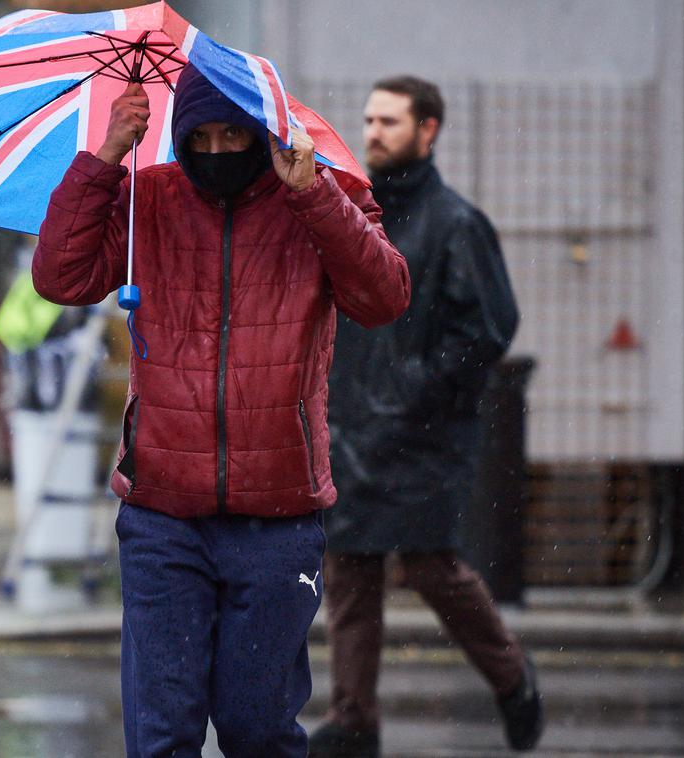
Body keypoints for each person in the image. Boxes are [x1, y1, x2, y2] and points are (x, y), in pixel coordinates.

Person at [32, 65, 410, 758]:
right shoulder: (151, 201)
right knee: (162, 732)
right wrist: (106, 155)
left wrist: (313, 195)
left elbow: (383, 298)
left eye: (231, 134)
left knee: (257, 729)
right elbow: (60, 276)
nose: (214, 151)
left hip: (278, 518)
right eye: (198, 137)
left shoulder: (320, 195)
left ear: (260, 134)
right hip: (161, 516)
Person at [307, 76, 542, 757]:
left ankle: (510, 675)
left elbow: (489, 329)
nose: (372, 132)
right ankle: (355, 720)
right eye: (369, 119)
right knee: (350, 570)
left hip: (424, 433)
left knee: (433, 566)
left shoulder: (455, 223)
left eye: (389, 121)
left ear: (428, 129)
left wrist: (417, 387)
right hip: (353, 425)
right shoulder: (360, 214)